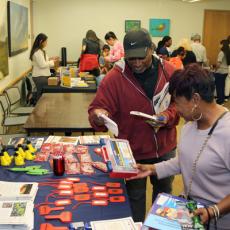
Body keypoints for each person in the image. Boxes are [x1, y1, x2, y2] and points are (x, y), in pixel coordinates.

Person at [88, 28, 179, 222]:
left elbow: (181, 103)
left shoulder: (169, 71)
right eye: (131, 59)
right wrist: (98, 116)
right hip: (131, 151)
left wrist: (166, 116)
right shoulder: (115, 77)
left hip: (165, 148)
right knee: (134, 197)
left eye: (141, 57)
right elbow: (97, 108)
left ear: (151, 49)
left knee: (164, 196)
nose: (136, 63)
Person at [128, 64, 230, 229]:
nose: (175, 109)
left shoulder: (226, 131)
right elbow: (184, 161)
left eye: (177, 102)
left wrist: (214, 210)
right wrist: (152, 168)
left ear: (195, 99)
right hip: (191, 211)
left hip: (218, 221)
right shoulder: (191, 125)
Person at [30, 33, 59, 101]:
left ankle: (41, 110)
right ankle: (39, 111)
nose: (46, 43)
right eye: (45, 41)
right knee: (41, 96)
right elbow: (42, 65)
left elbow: (44, 61)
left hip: (43, 76)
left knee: (43, 95)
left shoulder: (41, 51)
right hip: (40, 77)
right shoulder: (37, 52)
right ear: (41, 42)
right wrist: (53, 62)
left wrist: (51, 59)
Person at [214, 39, 230, 105]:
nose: (219, 45)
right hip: (226, 71)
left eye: (220, 44)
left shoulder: (221, 52)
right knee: (222, 86)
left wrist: (215, 69)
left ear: (222, 45)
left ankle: (220, 101)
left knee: (219, 86)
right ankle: (222, 99)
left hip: (220, 71)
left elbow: (218, 63)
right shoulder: (228, 52)